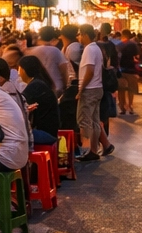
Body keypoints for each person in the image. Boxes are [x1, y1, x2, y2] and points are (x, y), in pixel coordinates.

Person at [75, 24, 106, 161]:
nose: (79, 37)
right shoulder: (96, 48)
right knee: (94, 120)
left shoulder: (89, 49)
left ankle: (87, 150)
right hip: (97, 88)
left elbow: (90, 71)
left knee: (84, 121)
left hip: (89, 89)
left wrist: (81, 89)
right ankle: (93, 149)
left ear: (85, 35)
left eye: (80, 34)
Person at [18, 54, 62, 147]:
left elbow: (19, 103)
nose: (18, 73)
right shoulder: (40, 82)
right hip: (50, 132)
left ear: (24, 70)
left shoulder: (36, 85)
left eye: (19, 68)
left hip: (45, 134)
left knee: (11, 136)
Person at [27, 26, 72, 94]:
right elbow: (64, 70)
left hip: (37, 87)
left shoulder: (31, 51)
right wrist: (65, 86)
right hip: (56, 87)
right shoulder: (55, 51)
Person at [117, 31, 141, 116]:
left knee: (121, 90)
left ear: (123, 36)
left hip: (121, 71)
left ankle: (122, 107)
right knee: (131, 90)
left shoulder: (120, 45)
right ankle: (130, 106)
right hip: (131, 70)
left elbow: (117, 57)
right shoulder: (134, 45)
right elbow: (137, 57)